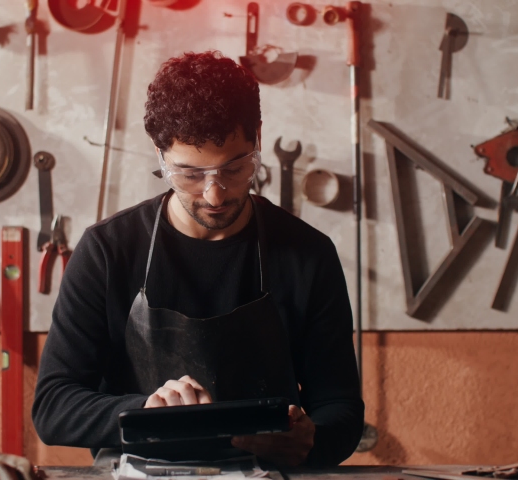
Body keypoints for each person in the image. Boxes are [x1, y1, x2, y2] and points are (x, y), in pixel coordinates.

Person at [32, 50, 364, 467]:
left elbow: (342, 408)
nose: (215, 194)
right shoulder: (108, 251)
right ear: (159, 154)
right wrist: (145, 410)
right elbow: (53, 406)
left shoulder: (308, 255)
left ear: (257, 139)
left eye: (235, 169)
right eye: (190, 175)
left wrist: (312, 440)